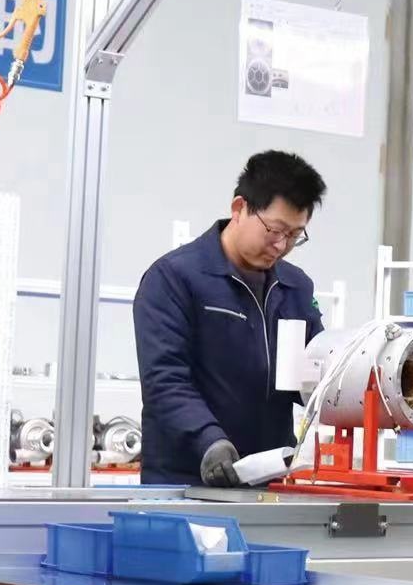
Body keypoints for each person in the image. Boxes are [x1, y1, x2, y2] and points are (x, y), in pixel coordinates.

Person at [132, 152, 327, 486]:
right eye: (274, 230)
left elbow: (317, 373)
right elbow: (165, 380)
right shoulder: (175, 278)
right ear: (239, 208)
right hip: (186, 480)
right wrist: (209, 441)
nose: (281, 245)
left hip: (269, 479)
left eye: (295, 235)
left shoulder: (295, 287)